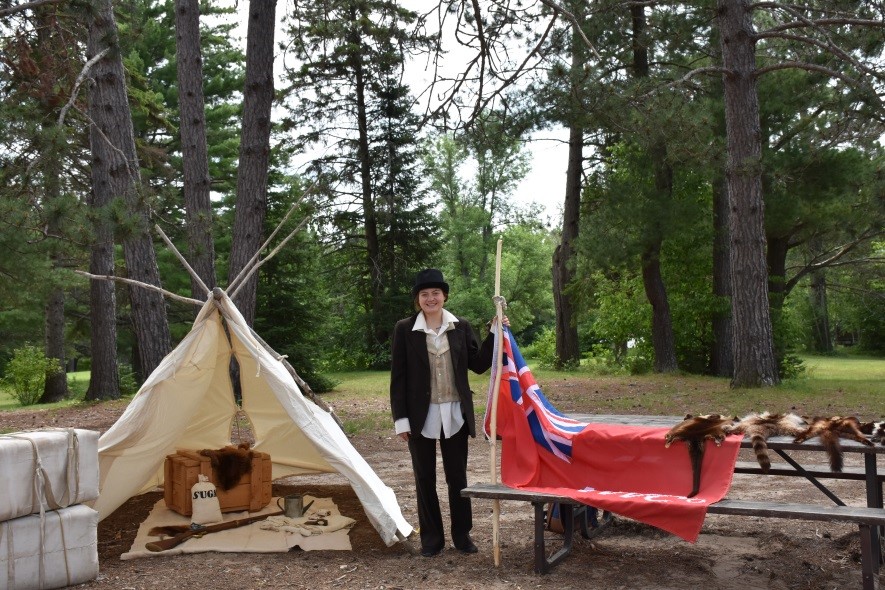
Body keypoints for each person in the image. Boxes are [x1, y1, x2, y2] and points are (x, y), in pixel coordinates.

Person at [389, 268, 505, 557]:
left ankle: (462, 536)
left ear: (444, 296)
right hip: (419, 416)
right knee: (424, 478)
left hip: (455, 413)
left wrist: (495, 332)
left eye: (436, 293)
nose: (431, 298)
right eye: (424, 294)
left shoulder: (461, 326)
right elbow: (398, 378)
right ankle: (431, 539)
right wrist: (400, 420)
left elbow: (478, 364)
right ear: (418, 299)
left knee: (458, 477)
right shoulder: (405, 329)